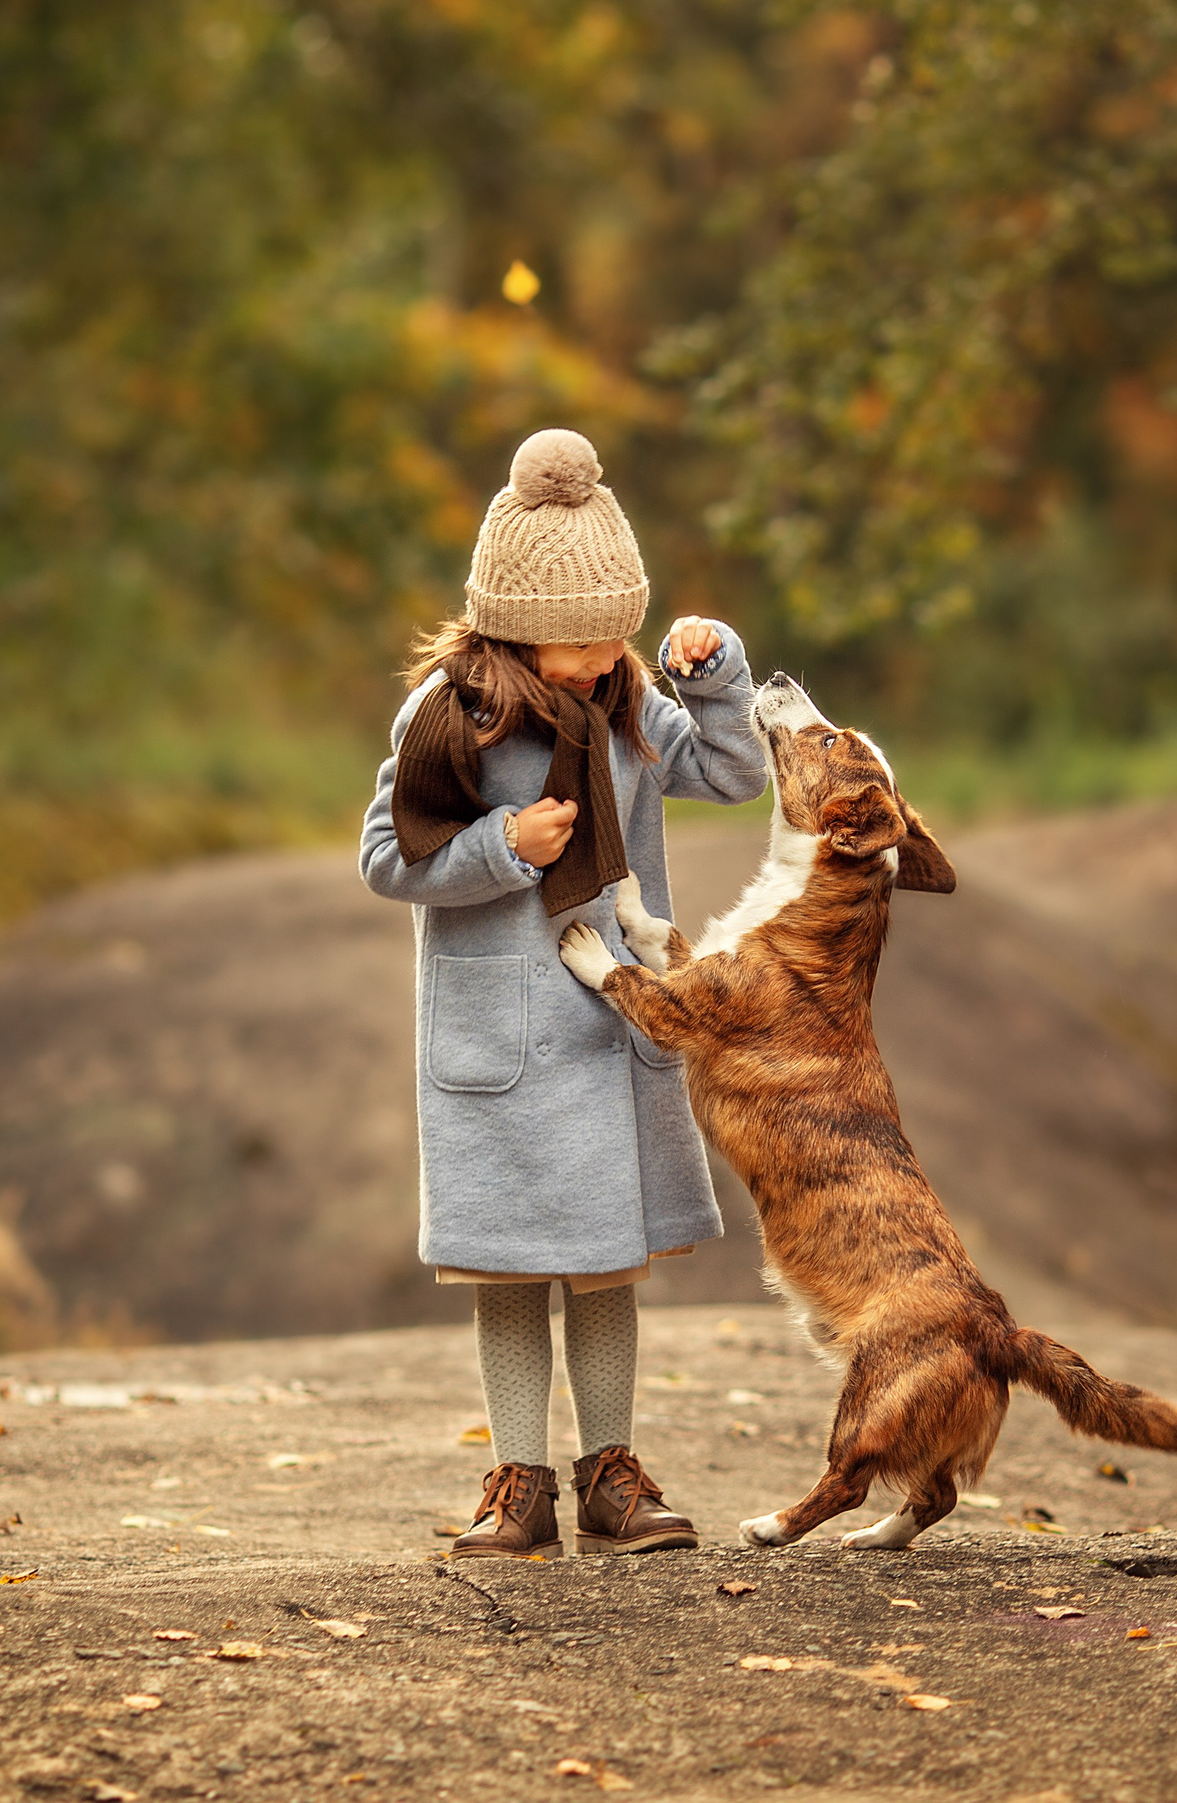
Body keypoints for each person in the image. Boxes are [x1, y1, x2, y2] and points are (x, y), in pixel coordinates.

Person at [360, 426, 767, 1558]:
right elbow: (387, 859)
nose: (599, 658)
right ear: (515, 627)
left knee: (602, 1264)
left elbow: (732, 773)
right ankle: (517, 1478)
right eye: (578, 642)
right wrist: (501, 844)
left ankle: (612, 1472)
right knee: (508, 1269)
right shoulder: (448, 717)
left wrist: (715, 672)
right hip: (498, 1037)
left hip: (606, 1024)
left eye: (615, 635)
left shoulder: (633, 700)